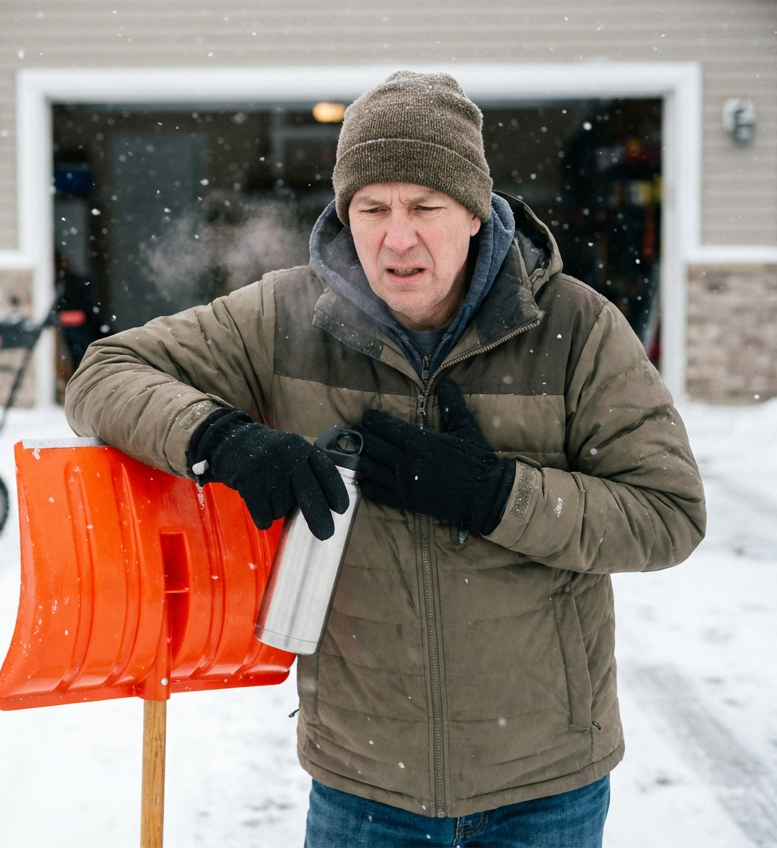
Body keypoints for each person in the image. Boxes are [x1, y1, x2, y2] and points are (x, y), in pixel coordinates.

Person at [65, 71, 705, 847]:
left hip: (543, 786)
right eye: (373, 209)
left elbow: (668, 514)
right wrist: (221, 440)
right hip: (364, 788)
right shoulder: (284, 319)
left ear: (474, 212)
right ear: (346, 215)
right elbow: (103, 374)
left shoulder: (574, 329)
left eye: (425, 207)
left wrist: (494, 494)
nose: (397, 239)